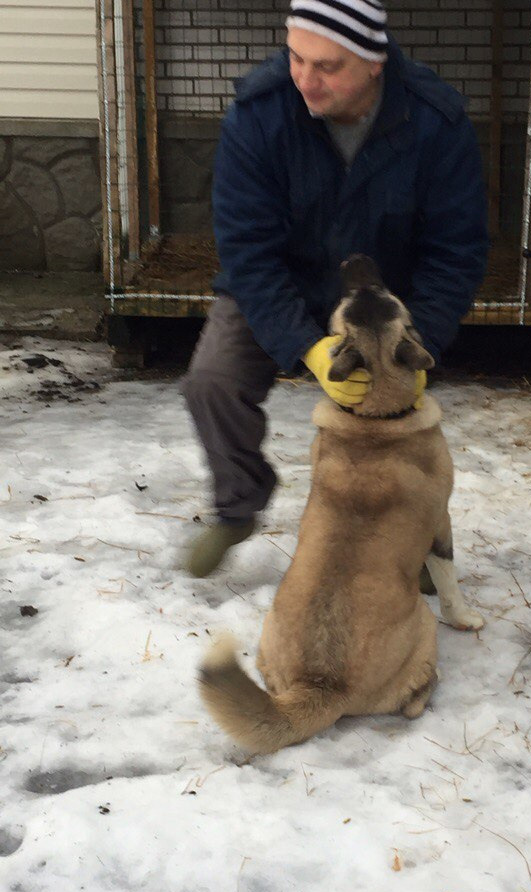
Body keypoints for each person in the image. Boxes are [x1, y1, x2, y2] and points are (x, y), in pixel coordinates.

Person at [182, 0, 489, 577]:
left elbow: (458, 249)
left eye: (327, 65)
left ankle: (411, 535)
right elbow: (247, 249)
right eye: (295, 56)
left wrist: (419, 343)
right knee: (212, 382)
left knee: (395, 409)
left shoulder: (434, 119)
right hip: (283, 278)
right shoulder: (260, 111)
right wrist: (309, 347)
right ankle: (237, 507)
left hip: (381, 292)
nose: (304, 77)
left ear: (374, 63)